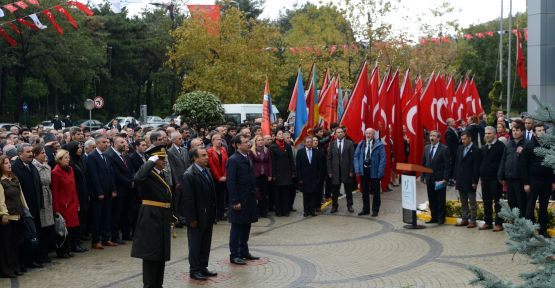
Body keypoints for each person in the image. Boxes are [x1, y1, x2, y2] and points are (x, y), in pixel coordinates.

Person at [131, 145, 174, 288]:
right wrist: (149, 162)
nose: (164, 161)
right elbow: (137, 178)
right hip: (151, 217)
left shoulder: (159, 174)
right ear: (154, 159)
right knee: (151, 254)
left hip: (161, 216)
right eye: (161, 159)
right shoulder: (148, 173)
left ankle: (158, 284)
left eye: (164, 158)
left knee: (160, 254)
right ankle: (149, 285)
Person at [182, 147, 218, 281]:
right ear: (195, 158)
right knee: (195, 244)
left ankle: (203, 267)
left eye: (206, 155)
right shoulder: (189, 174)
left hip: (208, 214)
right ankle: (194, 270)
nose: (206, 158)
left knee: (205, 243)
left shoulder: (206, 171)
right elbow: (188, 199)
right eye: (203, 156)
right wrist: (192, 218)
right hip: (197, 217)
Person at [226, 135, 259, 265]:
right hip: (239, 199)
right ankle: (234, 255)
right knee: (237, 228)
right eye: (245, 142)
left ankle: (244, 251)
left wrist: (255, 197)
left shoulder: (248, 157)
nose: (248, 144)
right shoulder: (233, 160)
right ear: (238, 145)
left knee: (246, 226)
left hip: (249, 199)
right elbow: (231, 183)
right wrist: (235, 201)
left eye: (249, 142)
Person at [11, 143, 44, 269]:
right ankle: (23, 262)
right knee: (25, 236)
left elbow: (38, 186)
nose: (31, 154)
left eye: (31, 151)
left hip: (35, 207)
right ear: (20, 154)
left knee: (35, 234)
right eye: (28, 151)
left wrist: (40, 203)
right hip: (24, 209)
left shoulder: (32, 166)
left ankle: (33, 259)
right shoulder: (15, 168)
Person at [521, 123, 554, 238]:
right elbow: (523, 166)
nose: (541, 132)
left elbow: (553, 165)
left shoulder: (549, 146)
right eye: (539, 130)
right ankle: (529, 230)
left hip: (547, 181)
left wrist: (553, 181)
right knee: (530, 206)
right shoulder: (529, 146)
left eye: (542, 130)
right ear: (534, 133)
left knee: (543, 207)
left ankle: (542, 230)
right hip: (533, 181)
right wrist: (526, 183)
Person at [86, 135, 117, 249]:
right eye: (104, 142)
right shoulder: (92, 157)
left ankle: (106, 238)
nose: (106, 144)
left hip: (108, 192)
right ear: (98, 144)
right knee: (97, 218)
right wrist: (99, 192)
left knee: (107, 216)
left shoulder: (106, 156)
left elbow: (111, 173)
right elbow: (93, 176)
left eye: (107, 142)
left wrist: (113, 189)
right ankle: (96, 240)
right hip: (98, 194)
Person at [0, 155, 29, 278]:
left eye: (9, 162)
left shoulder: (14, 178)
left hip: (18, 215)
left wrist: (26, 210)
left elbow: (21, 196)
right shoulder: (1, 181)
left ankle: (14, 266)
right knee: (6, 244)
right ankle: (6, 269)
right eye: (5, 163)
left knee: (16, 243)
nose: (9, 164)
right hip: (7, 217)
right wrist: (4, 214)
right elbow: (0, 200)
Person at [51, 149, 83, 257]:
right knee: (64, 228)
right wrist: (56, 210)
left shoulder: (70, 170)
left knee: (72, 227)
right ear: (59, 159)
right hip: (63, 204)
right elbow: (54, 192)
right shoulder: (56, 172)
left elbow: (74, 188)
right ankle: (62, 251)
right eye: (66, 158)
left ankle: (68, 250)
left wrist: (77, 203)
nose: (68, 160)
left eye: (68, 158)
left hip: (72, 203)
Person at [106, 136, 134, 244]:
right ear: (115, 144)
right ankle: (115, 236)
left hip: (128, 189)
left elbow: (130, 171)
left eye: (125, 142)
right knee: (117, 214)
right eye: (122, 142)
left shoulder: (125, 156)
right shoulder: (111, 156)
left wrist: (132, 180)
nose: (125, 144)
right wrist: (129, 182)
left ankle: (126, 234)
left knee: (126, 213)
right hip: (119, 189)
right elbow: (116, 174)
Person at [31, 145, 56, 263]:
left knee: (48, 227)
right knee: (41, 226)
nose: (44, 155)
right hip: (40, 197)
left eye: (45, 152)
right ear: (35, 155)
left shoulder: (48, 167)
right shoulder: (34, 167)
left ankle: (46, 252)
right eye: (41, 153)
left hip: (48, 196)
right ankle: (40, 254)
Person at [498, 120, 528, 216]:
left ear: (522, 131)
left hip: (520, 180)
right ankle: (515, 224)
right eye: (513, 130)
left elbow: (529, 163)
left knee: (521, 203)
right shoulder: (509, 144)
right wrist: (501, 176)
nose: (515, 132)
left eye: (517, 130)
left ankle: (523, 225)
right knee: (512, 203)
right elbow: (503, 160)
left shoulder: (527, 144)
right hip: (509, 179)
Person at [479, 126, 505, 232]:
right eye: (486, 133)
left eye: (489, 133)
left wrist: (501, 177)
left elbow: (502, 163)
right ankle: (488, 222)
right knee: (486, 201)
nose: (487, 135)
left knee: (497, 202)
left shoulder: (500, 146)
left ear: (495, 134)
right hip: (485, 179)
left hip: (495, 179)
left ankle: (499, 223)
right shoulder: (484, 148)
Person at [354, 128, 385, 217]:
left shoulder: (379, 145)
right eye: (366, 133)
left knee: (376, 192)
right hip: (364, 170)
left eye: (370, 133)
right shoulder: (361, 144)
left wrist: (380, 172)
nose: (368, 135)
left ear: (373, 134)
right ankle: (365, 209)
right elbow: (356, 156)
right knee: (364, 191)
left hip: (374, 170)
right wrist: (357, 169)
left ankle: (375, 210)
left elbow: (383, 159)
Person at [421, 130, 450, 225]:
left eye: (434, 136)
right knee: (432, 198)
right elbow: (424, 163)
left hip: (440, 179)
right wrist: (423, 176)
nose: (431, 138)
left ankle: (441, 218)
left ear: (438, 138)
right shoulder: (426, 148)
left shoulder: (444, 149)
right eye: (430, 136)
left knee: (440, 199)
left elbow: (447, 165)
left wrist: (445, 179)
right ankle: (434, 217)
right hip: (429, 178)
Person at [453, 131, 481, 228]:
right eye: (462, 139)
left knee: (472, 202)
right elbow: (457, 163)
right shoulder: (460, 148)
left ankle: (473, 220)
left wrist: (475, 181)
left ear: (469, 138)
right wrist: (455, 177)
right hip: (461, 179)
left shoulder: (476, 150)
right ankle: (464, 219)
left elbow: (476, 167)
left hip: (470, 180)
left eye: (465, 139)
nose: (463, 141)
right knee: (463, 201)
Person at [327, 127, 355, 213]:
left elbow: (352, 158)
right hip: (335, 172)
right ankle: (334, 206)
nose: (339, 134)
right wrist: (330, 171)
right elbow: (329, 159)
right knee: (335, 191)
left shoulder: (349, 143)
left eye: (341, 132)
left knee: (348, 190)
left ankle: (350, 205)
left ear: (344, 133)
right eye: (338, 132)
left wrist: (351, 170)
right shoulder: (332, 144)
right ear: (335, 134)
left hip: (346, 171)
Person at [269, 130, 295, 217]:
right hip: (278, 173)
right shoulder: (272, 147)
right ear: (275, 136)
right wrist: (273, 175)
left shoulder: (287, 146)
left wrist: (293, 172)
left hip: (287, 173)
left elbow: (291, 160)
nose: (281, 135)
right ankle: (278, 210)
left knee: (286, 193)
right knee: (278, 193)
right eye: (279, 134)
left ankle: (286, 210)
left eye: (282, 134)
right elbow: (272, 162)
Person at [296, 136, 324, 217]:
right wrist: (300, 178)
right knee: (306, 195)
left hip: (314, 178)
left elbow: (320, 166)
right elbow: (298, 167)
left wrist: (319, 177)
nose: (309, 143)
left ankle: (312, 210)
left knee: (313, 194)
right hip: (304, 178)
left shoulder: (317, 152)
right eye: (307, 142)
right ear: (304, 143)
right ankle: (306, 210)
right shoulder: (300, 152)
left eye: (310, 142)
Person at [207, 133, 228, 221]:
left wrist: (225, 175)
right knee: (214, 197)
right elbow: (212, 166)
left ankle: (221, 214)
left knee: (222, 196)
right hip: (214, 177)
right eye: (218, 139)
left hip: (224, 177)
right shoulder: (209, 151)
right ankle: (215, 215)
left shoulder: (223, 150)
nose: (220, 141)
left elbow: (227, 163)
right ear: (213, 141)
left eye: (221, 139)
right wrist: (218, 177)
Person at [252, 135, 272, 217]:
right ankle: (257, 212)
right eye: (259, 140)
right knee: (257, 194)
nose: (261, 141)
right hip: (256, 175)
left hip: (265, 175)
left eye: (262, 140)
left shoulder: (267, 150)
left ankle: (264, 211)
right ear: (256, 142)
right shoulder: (252, 151)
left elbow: (270, 163)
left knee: (264, 193)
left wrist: (270, 174)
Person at [445, 118, 459, 185]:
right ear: (449, 123)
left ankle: (453, 179)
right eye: (453, 121)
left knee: (454, 166)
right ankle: (450, 180)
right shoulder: (448, 131)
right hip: (452, 153)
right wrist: (449, 154)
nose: (454, 121)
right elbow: (448, 144)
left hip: (456, 151)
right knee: (451, 166)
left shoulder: (454, 130)